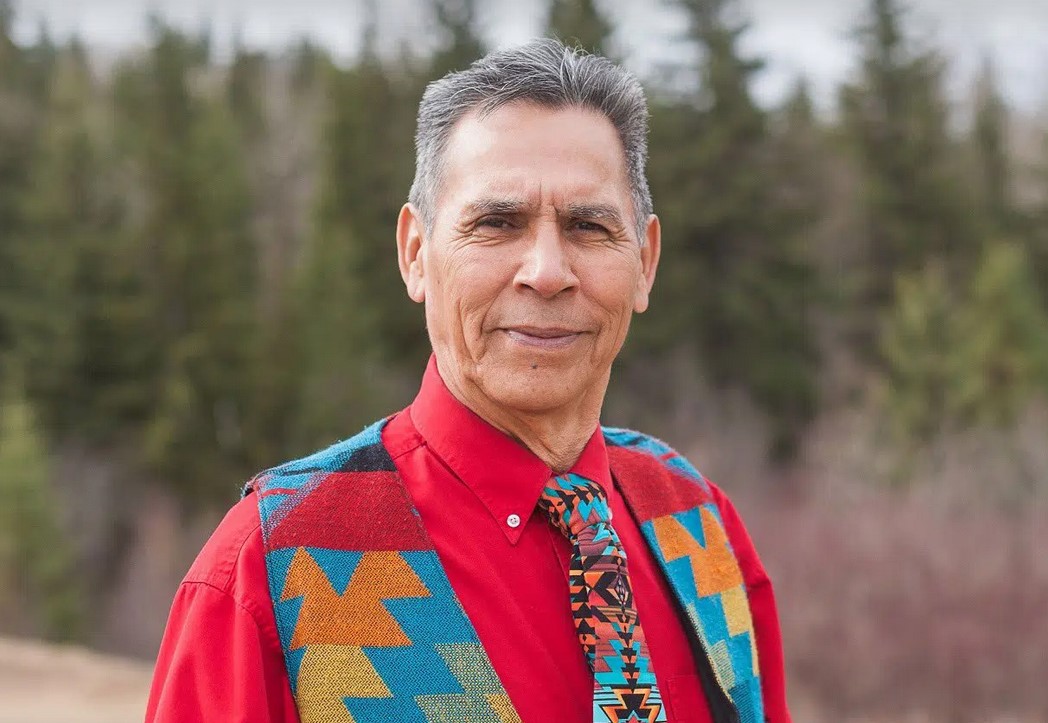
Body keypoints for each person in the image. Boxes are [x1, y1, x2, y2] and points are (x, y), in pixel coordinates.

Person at [145, 38, 791, 723]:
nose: (546, 270)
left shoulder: (698, 528)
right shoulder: (277, 569)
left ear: (645, 262)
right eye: (497, 222)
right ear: (416, 254)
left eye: (588, 226)